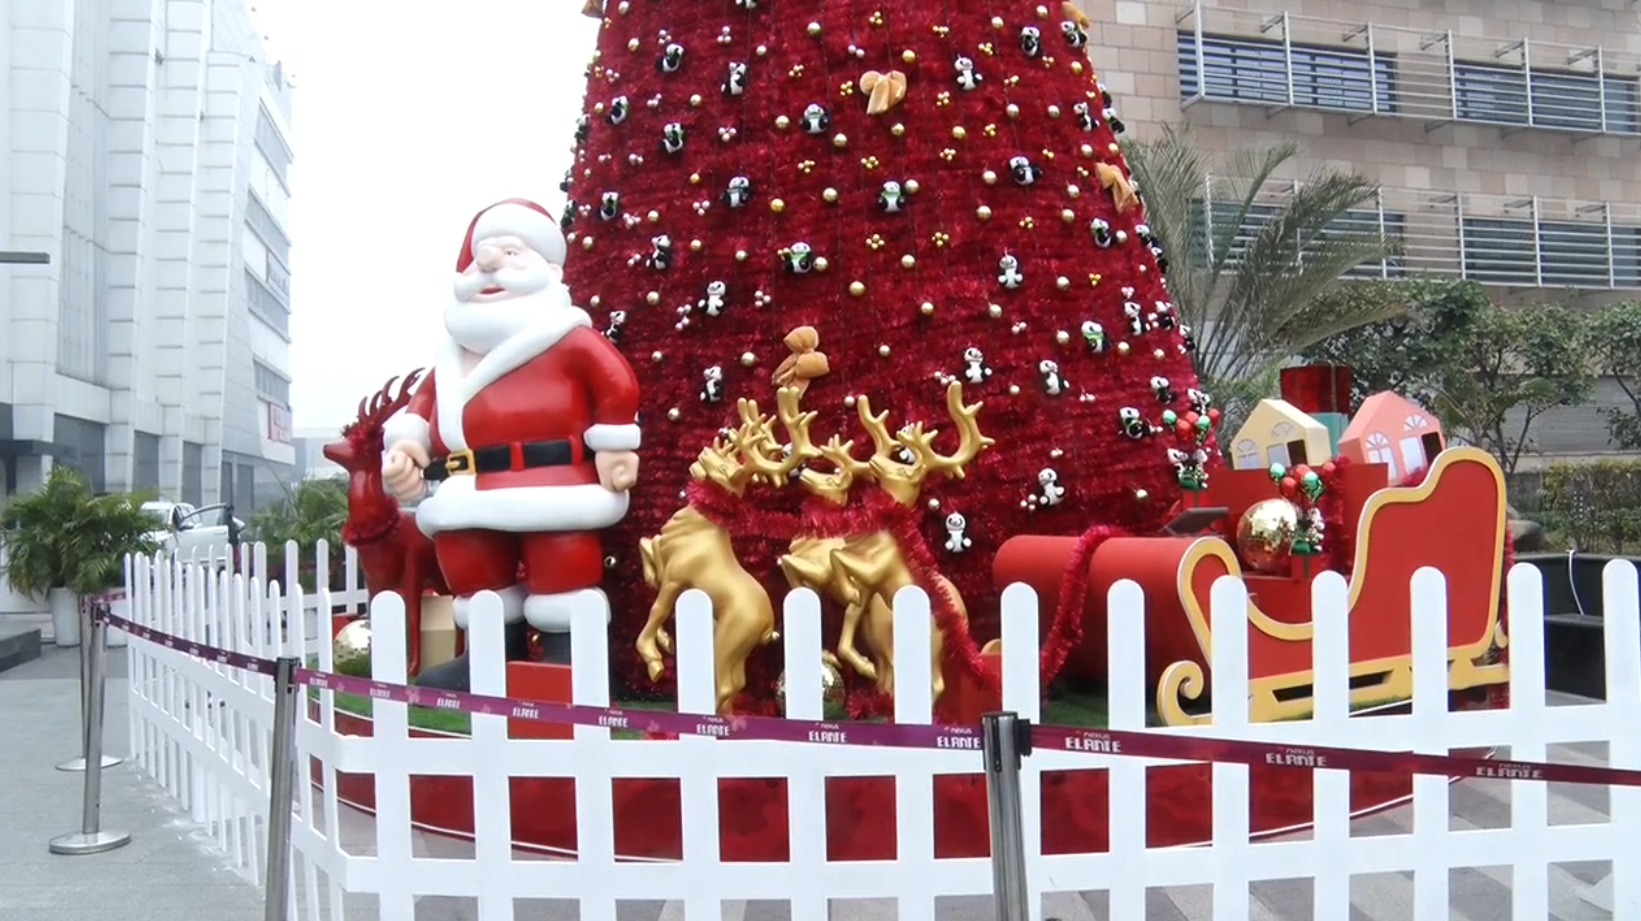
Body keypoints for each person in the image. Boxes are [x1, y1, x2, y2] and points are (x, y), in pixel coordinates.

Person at [381, 198, 642, 667]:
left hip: (553, 482)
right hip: (466, 488)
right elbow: (420, 410)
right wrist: (406, 445)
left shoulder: (567, 336)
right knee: (475, 574)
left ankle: (569, 662)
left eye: (511, 251)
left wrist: (615, 443)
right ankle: (490, 661)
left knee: (561, 567)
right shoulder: (451, 354)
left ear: (551, 270)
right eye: (482, 252)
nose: (488, 263)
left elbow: (616, 382)